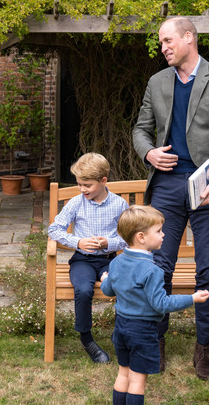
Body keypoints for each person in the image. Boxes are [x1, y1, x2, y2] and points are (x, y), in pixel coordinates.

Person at [132, 16, 209, 380]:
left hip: (207, 187)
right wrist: (148, 153)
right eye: (161, 42)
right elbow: (139, 129)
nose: (163, 47)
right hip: (166, 186)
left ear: (189, 38)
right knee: (159, 268)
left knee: (208, 269)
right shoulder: (157, 82)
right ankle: (156, 341)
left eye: (167, 40)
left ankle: (203, 348)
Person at [101, 205, 209, 405]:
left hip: (121, 327)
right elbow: (161, 304)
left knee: (123, 373)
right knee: (137, 380)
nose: (163, 235)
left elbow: (108, 291)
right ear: (141, 237)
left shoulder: (116, 262)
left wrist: (105, 278)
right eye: (158, 231)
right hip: (142, 331)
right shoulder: (152, 271)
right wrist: (192, 298)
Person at [47, 152, 129, 363]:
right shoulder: (76, 203)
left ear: (103, 181)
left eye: (87, 185)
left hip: (110, 260)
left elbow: (129, 236)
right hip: (82, 260)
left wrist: (108, 243)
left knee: (122, 286)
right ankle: (87, 339)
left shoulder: (119, 205)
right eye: (79, 184)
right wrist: (78, 242)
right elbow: (54, 230)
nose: (82, 189)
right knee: (83, 290)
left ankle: (120, 335)